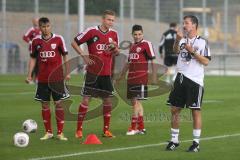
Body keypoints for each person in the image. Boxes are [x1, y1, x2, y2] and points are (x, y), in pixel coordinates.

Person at [165, 15, 211, 152]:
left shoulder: (202, 42)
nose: (184, 25)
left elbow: (206, 61)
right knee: (174, 109)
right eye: (183, 23)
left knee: (195, 111)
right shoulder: (182, 39)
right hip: (180, 77)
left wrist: (193, 52)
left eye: (187, 23)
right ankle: (174, 140)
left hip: (195, 80)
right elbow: (175, 50)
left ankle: (196, 143)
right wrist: (177, 40)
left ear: (194, 25)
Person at [71, 10, 119, 139]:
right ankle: (79, 130)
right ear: (103, 19)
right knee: (86, 100)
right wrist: (84, 56)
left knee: (107, 101)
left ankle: (106, 130)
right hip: (93, 73)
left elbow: (117, 52)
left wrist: (115, 48)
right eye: (109, 19)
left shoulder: (114, 34)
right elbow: (74, 42)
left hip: (106, 73)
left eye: (113, 20)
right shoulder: (91, 31)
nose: (111, 22)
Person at [26, 17, 71, 141]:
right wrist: (29, 74)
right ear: (39, 27)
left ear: (50, 26)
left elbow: (65, 56)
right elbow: (33, 58)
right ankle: (48, 132)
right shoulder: (35, 41)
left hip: (56, 78)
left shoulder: (58, 39)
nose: (45, 29)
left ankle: (60, 133)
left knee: (59, 104)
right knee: (45, 105)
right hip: (43, 79)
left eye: (47, 26)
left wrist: (67, 72)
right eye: (43, 27)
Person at [117, 24, 157, 135]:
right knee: (136, 102)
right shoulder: (132, 46)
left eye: (139, 34)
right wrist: (121, 76)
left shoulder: (146, 44)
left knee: (135, 102)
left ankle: (133, 127)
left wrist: (154, 76)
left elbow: (153, 60)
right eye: (135, 34)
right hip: (131, 78)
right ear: (132, 35)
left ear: (142, 34)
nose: (137, 36)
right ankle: (141, 127)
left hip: (141, 77)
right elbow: (129, 63)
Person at [23, 18, 41, 84]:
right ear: (33, 22)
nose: (37, 22)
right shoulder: (32, 29)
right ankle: (30, 78)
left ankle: (36, 79)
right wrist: (30, 42)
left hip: (41, 49)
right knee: (33, 63)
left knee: (39, 64)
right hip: (33, 49)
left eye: (38, 21)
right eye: (36, 21)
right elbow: (25, 37)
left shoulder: (41, 29)